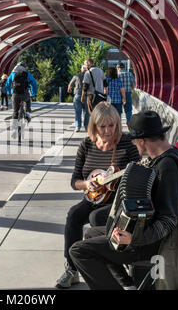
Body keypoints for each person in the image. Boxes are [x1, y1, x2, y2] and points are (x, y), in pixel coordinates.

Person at [69, 110, 178, 290]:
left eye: (134, 141)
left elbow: (168, 220)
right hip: (152, 233)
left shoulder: (167, 167)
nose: (134, 145)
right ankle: (127, 285)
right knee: (91, 234)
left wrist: (134, 238)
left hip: (158, 242)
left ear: (142, 141)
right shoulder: (171, 155)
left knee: (79, 251)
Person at [56, 102, 141, 289]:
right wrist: (86, 184)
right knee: (74, 215)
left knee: (97, 219)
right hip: (92, 198)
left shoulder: (127, 144)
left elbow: (139, 174)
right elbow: (75, 181)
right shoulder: (86, 145)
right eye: (102, 126)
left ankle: (114, 271)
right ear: (94, 126)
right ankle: (71, 269)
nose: (108, 131)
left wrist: (125, 179)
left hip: (117, 202)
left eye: (112, 125)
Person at [6, 62, 38, 139]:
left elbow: (8, 83)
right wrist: (34, 93)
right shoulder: (27, 74)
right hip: (24, 94)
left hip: (15, 95)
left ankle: (13, 130)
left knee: (15, 111)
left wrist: (9, 93)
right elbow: (34, 83)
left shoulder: (13, 73)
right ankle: (27, 113)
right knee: (28, 100)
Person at [68, 64, 90, 132]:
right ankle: (86, 126)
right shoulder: (89, 76)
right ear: (87, 70)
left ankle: (78, 127)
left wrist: (69, 89)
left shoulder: (76, 76)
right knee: (86, 112)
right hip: (86, 95)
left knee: (78, 112)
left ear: (81, 69)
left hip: (77, 95)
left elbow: (70, 84)